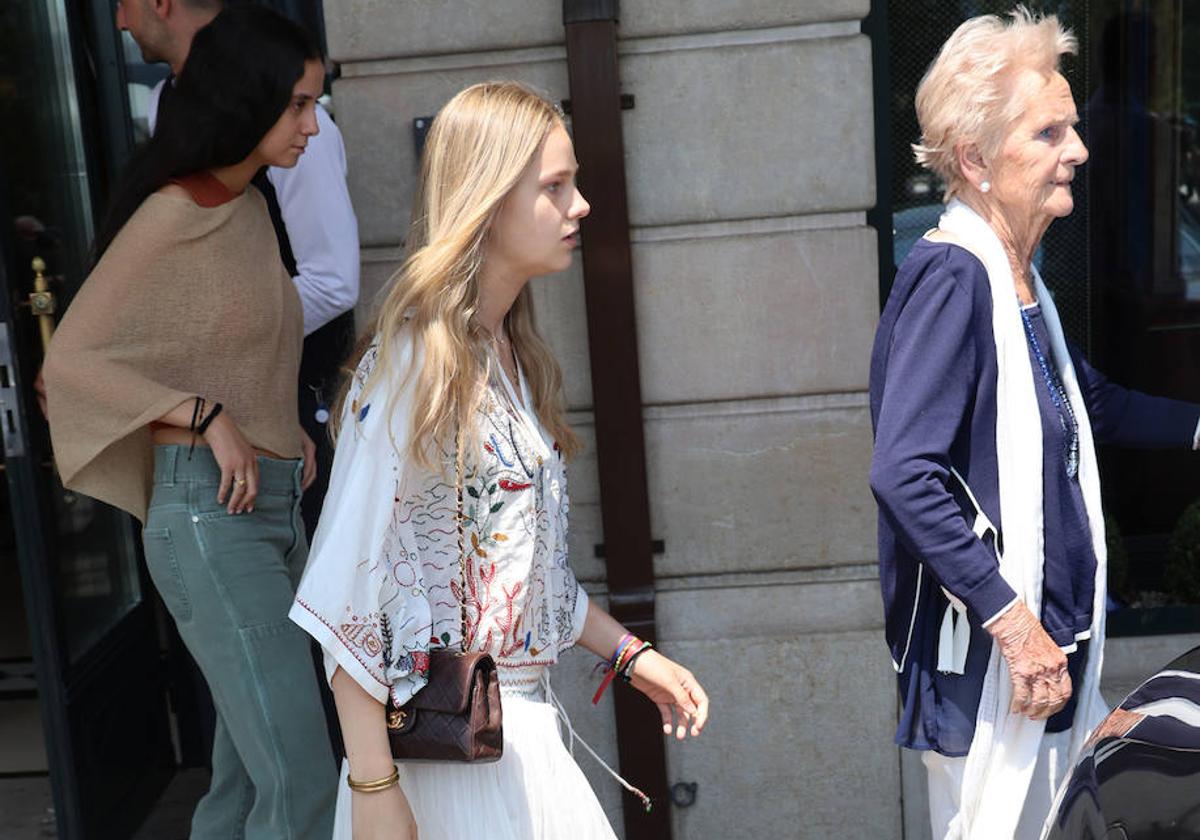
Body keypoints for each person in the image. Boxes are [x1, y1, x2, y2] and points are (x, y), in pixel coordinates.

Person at [289, 81, 710, 840]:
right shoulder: (420, 363)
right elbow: (345, 588)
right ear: (485, 200)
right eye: (554, 186)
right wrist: (374, 785)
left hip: (514, 743)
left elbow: (524, 576)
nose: (580, 205)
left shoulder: (507, 354)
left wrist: (633, 658)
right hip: (441, 768)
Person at [868, 8, 1200, 839]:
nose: (1078, 150)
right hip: (993, 670)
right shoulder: (953, 278)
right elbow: (904, 470)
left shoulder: (1020, 282)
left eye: (1073, 127)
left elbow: (1095, 406)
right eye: (1050, 132)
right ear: (976, 160)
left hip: (1044, 661)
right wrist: (1015, 625)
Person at [43, 7, 336, 837]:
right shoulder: (171, 215)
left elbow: (241, 340)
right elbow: (69, 363)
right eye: (298, 107)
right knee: (303, 777)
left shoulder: (244, 206)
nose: (312, 126)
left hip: (269, 511)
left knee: (249, 785)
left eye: (314, 103)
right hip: (212, 519)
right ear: (246, 101)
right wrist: (206, 416)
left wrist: (285, 425)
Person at [116, 0, 361, 539]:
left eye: (123, 3)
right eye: (301, 106)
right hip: (209, 418)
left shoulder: (296, 138)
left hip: (290, 401)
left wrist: (249, 382)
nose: (119, 22)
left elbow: (332, 282)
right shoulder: (166, 115)